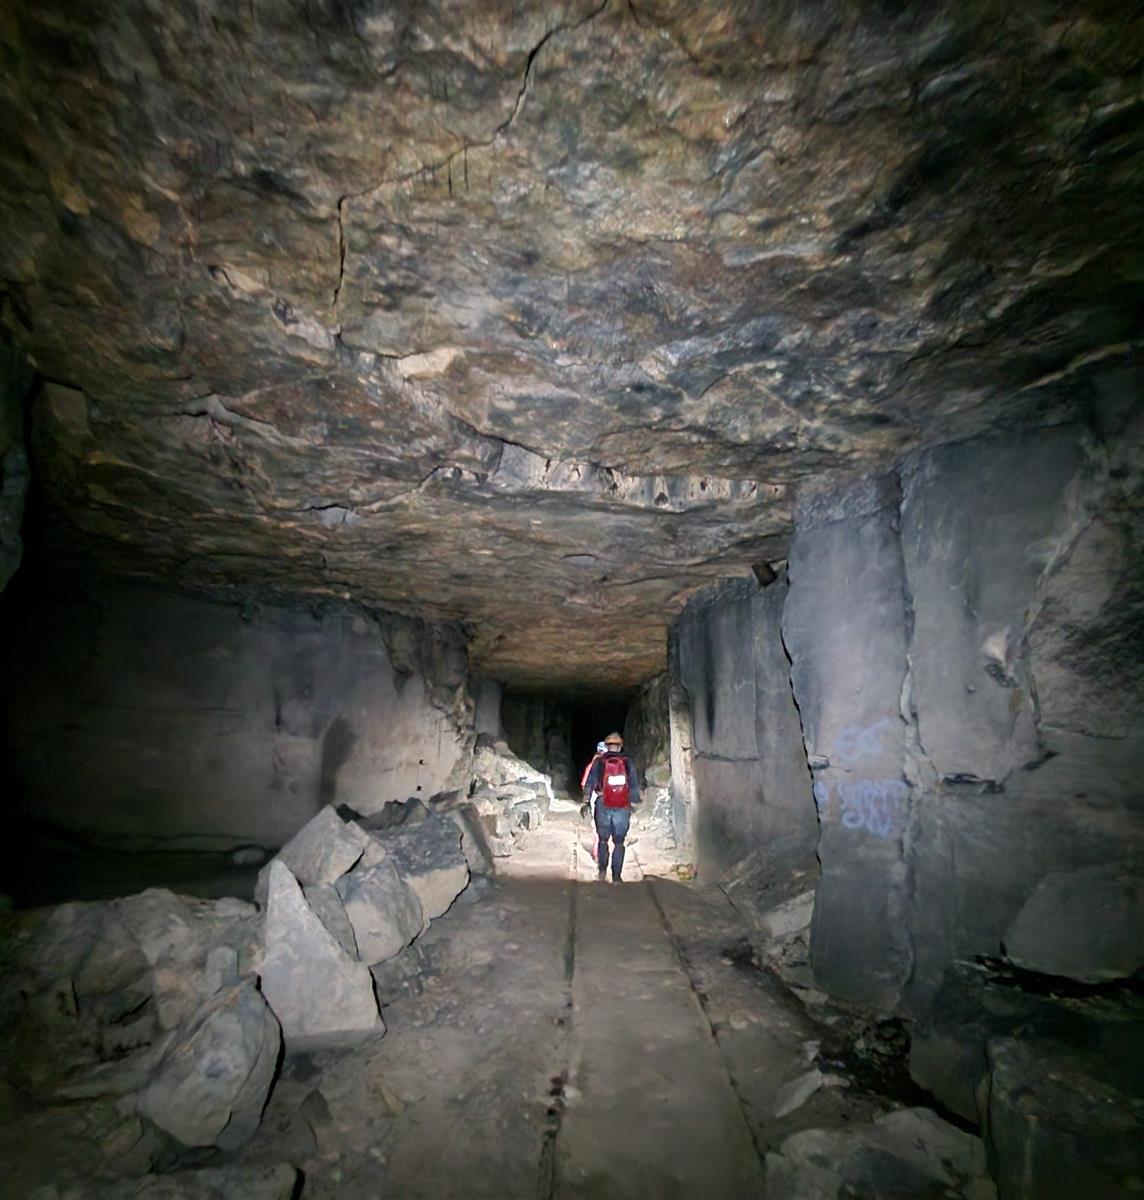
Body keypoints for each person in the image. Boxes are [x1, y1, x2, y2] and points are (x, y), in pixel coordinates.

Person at [582, 731, 640, 882]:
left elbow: (590, 783)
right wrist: (634, 804)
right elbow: (634, 785)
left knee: (603, 840)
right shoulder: (627, 762)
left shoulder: (599, 762)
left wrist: (586, 801)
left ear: (607, 746)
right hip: (622, 805)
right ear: (620, 747)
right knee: (619, 842)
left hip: (603, 803)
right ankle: (616, 877)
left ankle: (602, 872)